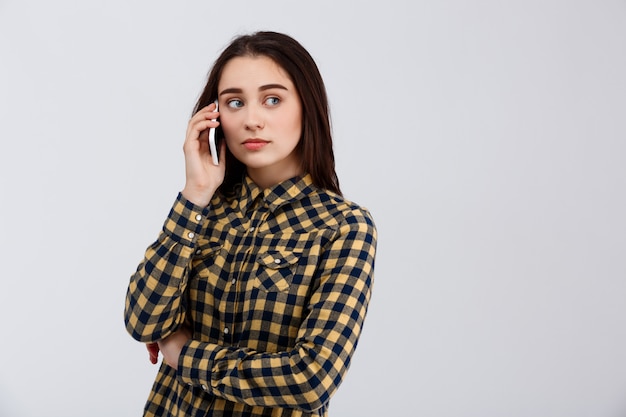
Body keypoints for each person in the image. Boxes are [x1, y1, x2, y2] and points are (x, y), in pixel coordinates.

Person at [124, 31, 377, 417]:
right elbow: (142, 320)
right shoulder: (202, 209)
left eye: (272, 100)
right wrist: (195, 192)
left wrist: (186, 356)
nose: (251, 120)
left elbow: (311, 379)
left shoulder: (342, 227)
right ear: (215, 115)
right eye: (235, 102)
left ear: (306, 107)